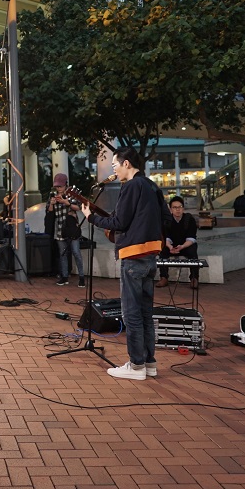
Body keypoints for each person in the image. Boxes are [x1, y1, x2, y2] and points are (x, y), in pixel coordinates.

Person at [81, 146, 171, 381]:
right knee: (144, 313)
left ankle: (136, 365)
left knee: (131, 313)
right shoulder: (152, 185)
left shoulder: (131, 186)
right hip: (151, 256)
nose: (114, 169)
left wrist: (91, 217)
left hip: (133, 256)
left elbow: (119, 221)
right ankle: (149, 363)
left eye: (115, 165)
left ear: (127, 164)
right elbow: (165, 218)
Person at [47, 173, 85, 287]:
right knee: (62, 253)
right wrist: (52, 204)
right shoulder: (53, 195)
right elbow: (49, 212)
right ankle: (64, 276)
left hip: (72, 228)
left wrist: (65, 202)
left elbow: (78, 207)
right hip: (59, 228)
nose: (58, 189)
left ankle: (81, 277)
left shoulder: (71, 195)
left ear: (65, 185)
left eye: (60, 186)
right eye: (57, 187)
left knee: (76, 252)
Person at [156, 196, 201, 290]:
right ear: (170, 209)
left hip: (185, 245)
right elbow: (166, 237)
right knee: (163, 251)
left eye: (180, 207)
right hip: (171, 246)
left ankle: (194, 278)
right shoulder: (166, 220)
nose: (177, 210)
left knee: (193, 251)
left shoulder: (189, 219)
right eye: (175, 207)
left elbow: (191, 238)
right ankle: (164, 277)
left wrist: (182, 246)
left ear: (183, 208)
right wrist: (169, 246)